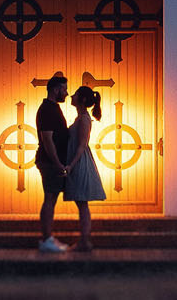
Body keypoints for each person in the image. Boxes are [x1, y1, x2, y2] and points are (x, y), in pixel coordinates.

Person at [65, 84, 109, 251]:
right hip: (77, 161)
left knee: (82, 204)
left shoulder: (84, 119)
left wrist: (71, 165)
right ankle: (84, 240)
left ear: (82, 99)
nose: (71, 96)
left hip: (80, 162)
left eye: (75, 94)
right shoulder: (81, 117)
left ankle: (85, 241)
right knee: (81, 203)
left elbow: (82, 145)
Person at [35, 72, 72, 252]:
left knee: (51, 198)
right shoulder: (48, 109)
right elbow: (47, 140)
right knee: (49, 198)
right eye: (64, 89)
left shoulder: (51, 108)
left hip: (51, 161)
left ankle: (48, 238)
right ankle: (47, 239)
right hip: (50, 162)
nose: (66, 93)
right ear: (56, 89)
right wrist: (57, 163)